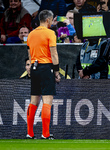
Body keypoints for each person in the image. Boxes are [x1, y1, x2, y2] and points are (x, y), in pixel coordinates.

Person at [26, 10, 61, 139]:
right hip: (46, 68)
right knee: (47, 100)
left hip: (34, 67)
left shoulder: (31, 34)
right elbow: (54, 54)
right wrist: (56, 71)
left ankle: (29, 133)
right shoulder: (50, 33)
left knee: (33, 101)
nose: (52, 22)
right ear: (48, 20)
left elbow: (29, 53)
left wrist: (30, 67)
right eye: (51, 20)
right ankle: (45, 134)